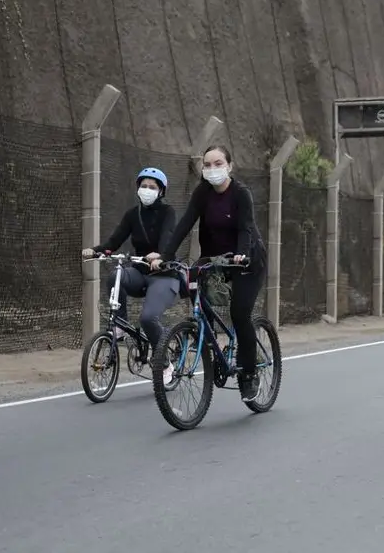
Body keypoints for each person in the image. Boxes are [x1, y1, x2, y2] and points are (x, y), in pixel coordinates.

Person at [149, 146, 267, 402]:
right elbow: (184, 224)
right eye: (208, 164)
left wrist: (242, 254)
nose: (212, 169)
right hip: (214, 259)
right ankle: (210, 346)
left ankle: (248, 375)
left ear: (230, 166)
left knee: (239, 313)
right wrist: (165, 256)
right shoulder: (202, 193)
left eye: (218, 163)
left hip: (246, 261)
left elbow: (246, 228)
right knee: (193, 284)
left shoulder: (241, 194)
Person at [81, 168, 178, 373]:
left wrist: (160, 255)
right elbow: (114, 241)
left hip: (164, 276)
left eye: (152, 187)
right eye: (144, 186)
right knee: (116, 276)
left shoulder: (168, 212)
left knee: (147, 318)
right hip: (140, 272)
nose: (147, 190)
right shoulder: (132, 215)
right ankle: (121, 325)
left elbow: (168, 237)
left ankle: (165, 362)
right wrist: (96, 251)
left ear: (161, 191)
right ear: (138, 188)